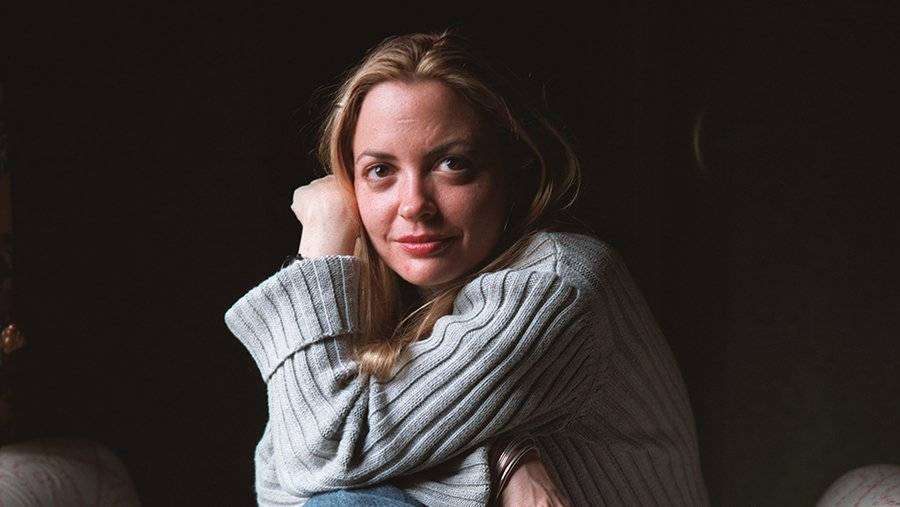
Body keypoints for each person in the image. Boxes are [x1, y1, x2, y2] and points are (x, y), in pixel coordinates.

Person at [224, 30, 710, 506]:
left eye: (452, 164)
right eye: (381, 171)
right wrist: (500, 457)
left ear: (512, 169)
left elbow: (319, 457)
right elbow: (280, 483)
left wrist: (322, 248)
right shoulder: (389, 299)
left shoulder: (555, 285)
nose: (414, 205)